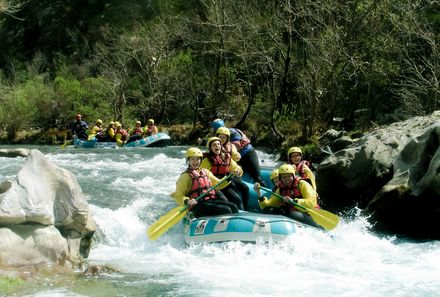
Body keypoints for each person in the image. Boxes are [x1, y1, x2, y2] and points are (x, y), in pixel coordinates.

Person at [171, 147, 239, 218]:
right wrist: (187, 201)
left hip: (210, 201)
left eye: (198, 159)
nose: (195, 162)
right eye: (193, 159)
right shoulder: (185, 176)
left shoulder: (205, 172)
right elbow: (178, 196)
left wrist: (229, 177)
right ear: (188, 160)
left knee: (233, 206)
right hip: (197, 205)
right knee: (226, 210)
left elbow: (217, 184)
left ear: (201, 160)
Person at [253, 164, 322, 228]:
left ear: (293, 176)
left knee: (293, 215)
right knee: (269, 210)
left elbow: (311, 203)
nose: (286, 179)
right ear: (281, 178)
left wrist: (294, 201)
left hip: (310, 214)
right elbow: (269, 205)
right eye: (284, 177)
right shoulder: (280, 189)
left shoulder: (302, 184)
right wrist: (259, 194)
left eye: (289, 176)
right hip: (293, 214)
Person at [211, 118, 266, 187]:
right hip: (238, 159)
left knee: (258, 178)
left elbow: (233, 149)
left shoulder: (231, 132)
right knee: (236, 177)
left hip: (248, 154)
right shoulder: (220, 137)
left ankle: (266, 195)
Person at [201, 137, 247, 210]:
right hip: (214, 186)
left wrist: (238, 171)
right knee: (225, 201)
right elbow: (202, 176)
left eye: (218, 144)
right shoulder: (206, 161)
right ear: (210, 148)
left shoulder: (226, 157)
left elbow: (236, 167)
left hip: (225, 183)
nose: (217, 146)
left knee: (237, 199)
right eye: (214, 145)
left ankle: (244, 214)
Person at [216, 127, 250, 210]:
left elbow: (235, 155)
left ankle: (245, 209)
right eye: (220, 137)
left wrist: (237, 156)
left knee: (245, 188)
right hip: (218, 178)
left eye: (224, 137)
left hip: (230, 174)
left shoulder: (231, 147)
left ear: (227, 138)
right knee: (234, 189)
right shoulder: (214, 148)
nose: (222, 139)